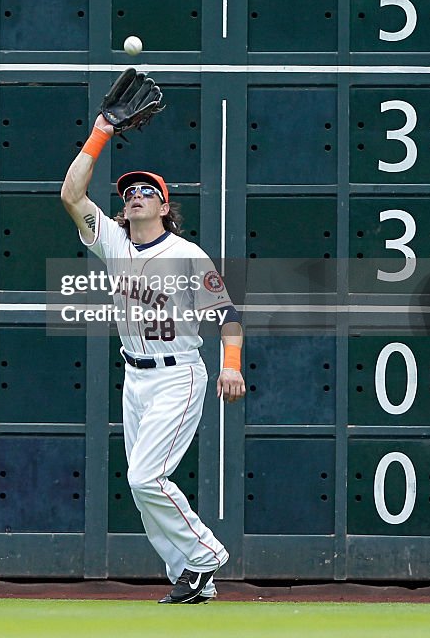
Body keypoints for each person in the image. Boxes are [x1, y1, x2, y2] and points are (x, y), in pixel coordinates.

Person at [61, 113, 246, 605]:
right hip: (134, 376)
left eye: (146, 190)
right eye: (129, 191)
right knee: (145, 491)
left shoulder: (187, 253)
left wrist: (231, 364)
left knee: (145, 478)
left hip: (178, 373)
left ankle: (205, 555)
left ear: (165, 206)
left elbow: (228, 313)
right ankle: (191, 577)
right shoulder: (114, 243)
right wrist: (101, 131)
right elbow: (71, 195)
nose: (135, 194)